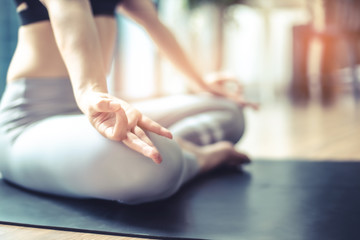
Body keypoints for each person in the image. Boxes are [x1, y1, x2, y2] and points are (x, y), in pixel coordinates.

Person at [0, 0, 255, 204]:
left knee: (229, 111)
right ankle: (198, 158)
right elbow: (69, 7)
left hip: (87, 115)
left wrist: (201, 84)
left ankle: (177, 147)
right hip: (29, 124)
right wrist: (91, 91)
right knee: (151, 162)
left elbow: (156, 26)